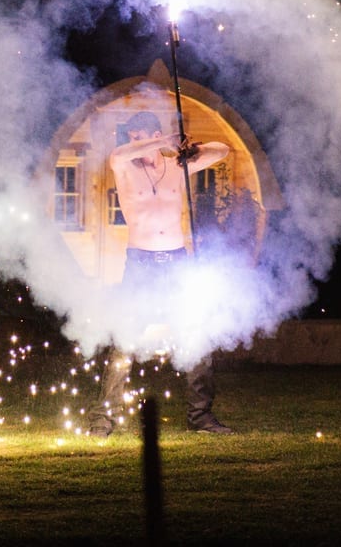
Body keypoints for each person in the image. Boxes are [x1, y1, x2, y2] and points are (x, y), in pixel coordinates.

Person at [87, 109, 234, 437]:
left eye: (141, 137)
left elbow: (222, 150)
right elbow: (120, 152)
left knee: (196, 339)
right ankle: (103, 419)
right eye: (133, 138)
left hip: (177, 262)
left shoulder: (177, 167)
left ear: (153, 134)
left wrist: (192, 150)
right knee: (124, 344)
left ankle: (200, 417)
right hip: (140, 264)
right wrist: (161, 141)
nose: (135, 144)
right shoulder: (123, 165)